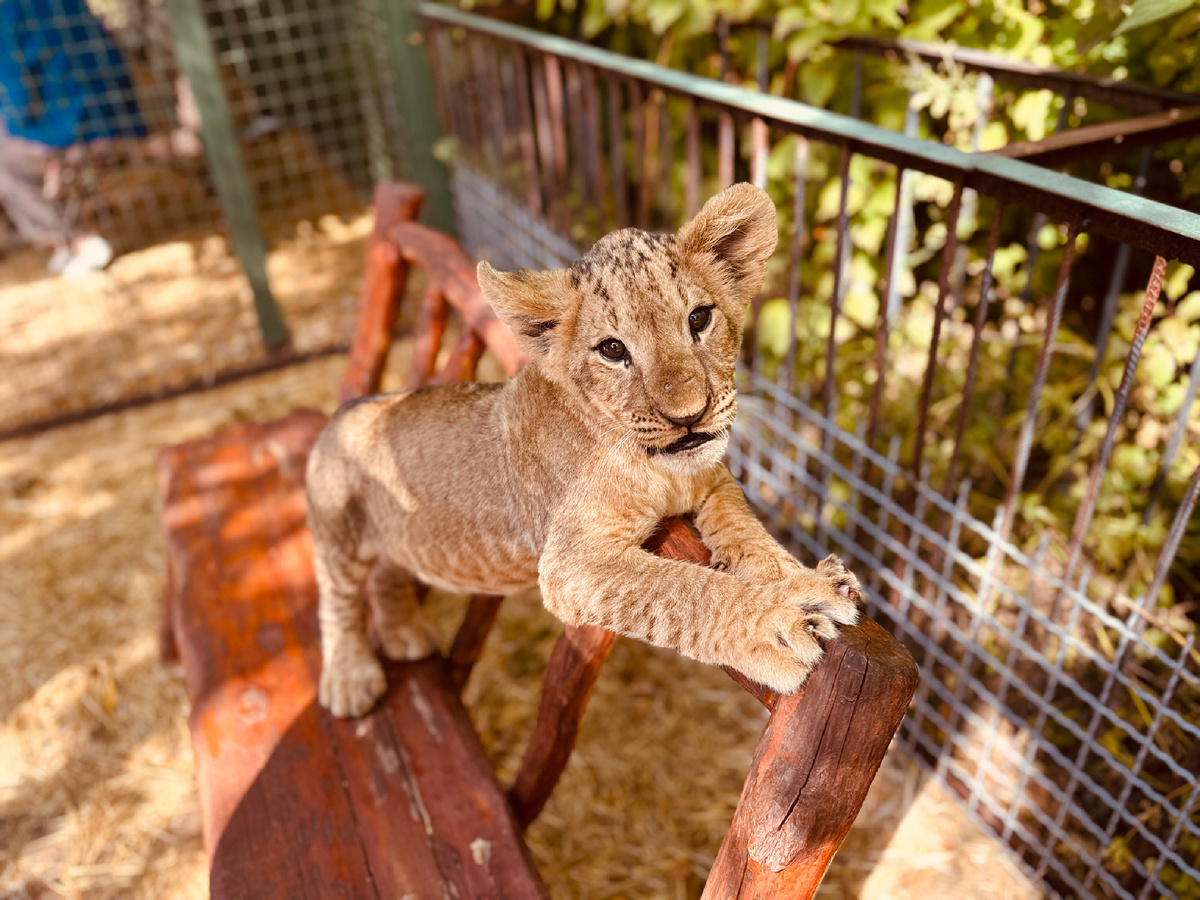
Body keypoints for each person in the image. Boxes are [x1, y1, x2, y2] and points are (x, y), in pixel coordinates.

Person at [0, 0, 148, 277]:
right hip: (115, 115)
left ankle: (76, 240)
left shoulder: (6, 12)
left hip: (69, 128)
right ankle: (64, 235)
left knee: (5, 162)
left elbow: (17, 98)